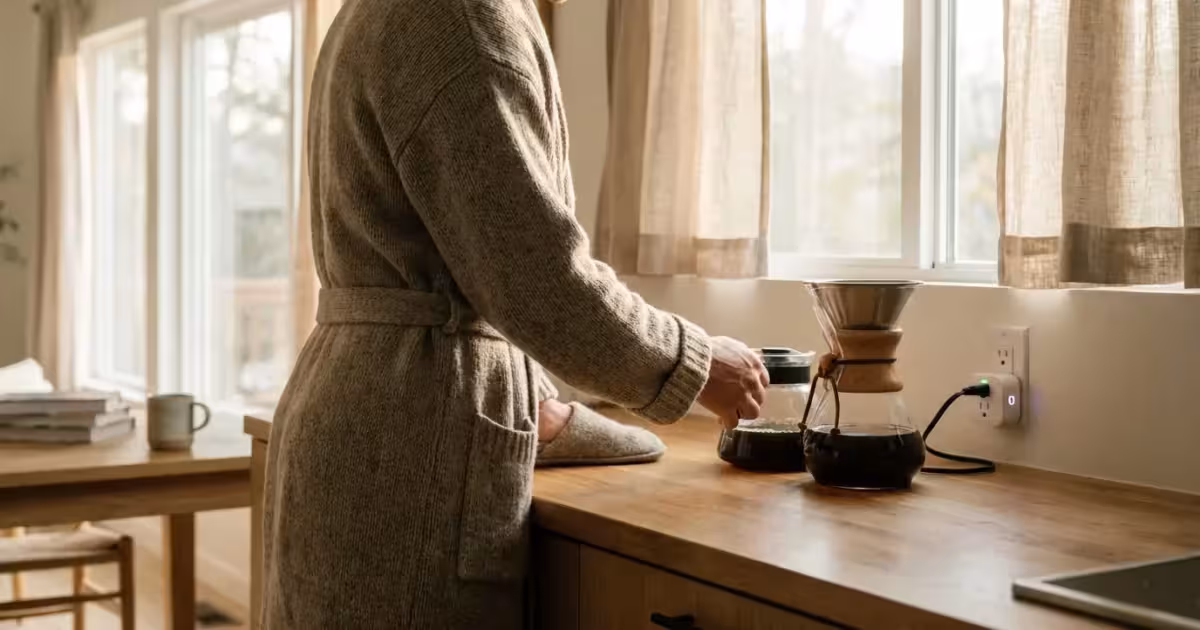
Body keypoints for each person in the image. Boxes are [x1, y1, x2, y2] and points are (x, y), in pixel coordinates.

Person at [260, 0, 768, 627]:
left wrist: (529, 404)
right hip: (409, 448)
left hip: (372, 414)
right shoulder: (461, 16)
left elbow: (475, 266)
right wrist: (694, 362)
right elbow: (537, 281)